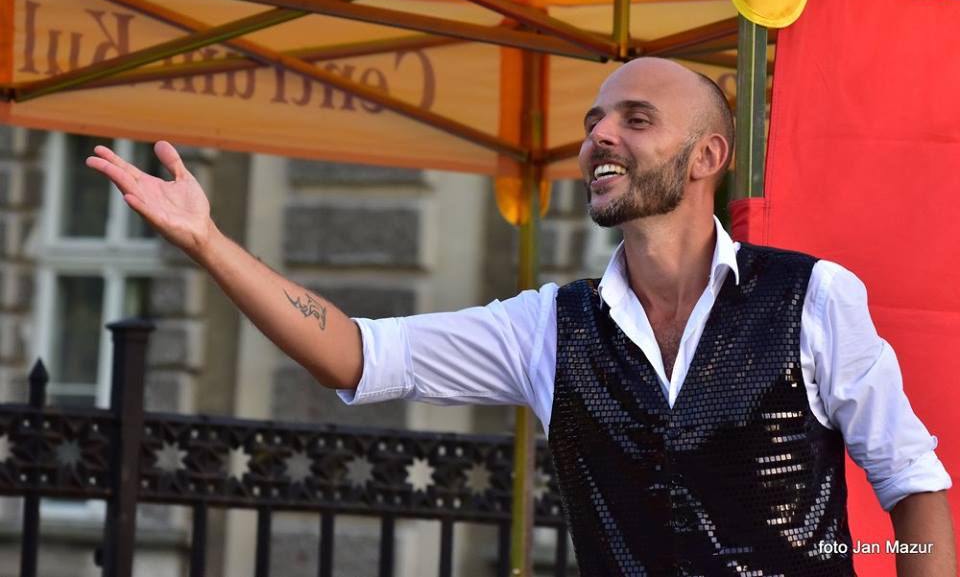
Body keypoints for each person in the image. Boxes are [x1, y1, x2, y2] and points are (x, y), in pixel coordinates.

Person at [87, 57, 955, 576]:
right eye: (594, 120)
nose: (600, 136)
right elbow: (355, 353)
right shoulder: (549, 327)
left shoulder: (813, 298)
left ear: (706, 157)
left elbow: (913, 485)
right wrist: (208, 241)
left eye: (636, 119)